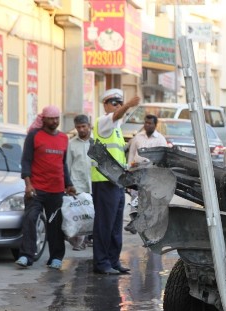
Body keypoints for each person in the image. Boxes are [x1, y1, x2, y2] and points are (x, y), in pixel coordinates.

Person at [15, 105, 76, 270]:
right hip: (36, 189)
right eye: (51, 118)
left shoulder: (64, 138)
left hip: (56, 191)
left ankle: (56, 257)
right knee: (30, 219)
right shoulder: (34, 135)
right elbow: (26, 161)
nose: (55, 121)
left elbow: (63, 165)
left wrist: (68, 184)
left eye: (57, 118)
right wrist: (28, 184)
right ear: (44, 119)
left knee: (55, 225)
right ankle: (27, 256)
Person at [91, 88, 140, 275]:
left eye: (120, 103)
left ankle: (113, 260)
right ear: (105, 105)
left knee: (115, 226)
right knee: (104, 224)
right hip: (104, 181)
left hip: (116, 182)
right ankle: (101, 262)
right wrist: (128, 105)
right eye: (114, 103)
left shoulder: (117, 128)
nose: (118, 106)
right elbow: (114, 116)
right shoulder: (103, 122)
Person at [124, 114, 169, 233]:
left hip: (152, 173)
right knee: (135, 197)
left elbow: (163, 159)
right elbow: (132, 155)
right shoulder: (138, 137)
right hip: (137, 171)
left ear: (155, 125)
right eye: (146, 123)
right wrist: (129, 171)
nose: (147, 125)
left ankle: (147, 223)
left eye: (150, 123)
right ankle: (135, 221)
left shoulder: (160, 139)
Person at [66, 114, 93, 250]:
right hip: (78, 184)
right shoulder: (71, 144)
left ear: (89, 126)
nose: (81, 130)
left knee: (92, 213)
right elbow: (68, 165)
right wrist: (68, 185)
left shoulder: (96, 141)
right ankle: (79, 242)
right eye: (78, 127)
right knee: (80, 213)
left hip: (94, 183)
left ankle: (89, 238)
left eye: (83, 126)